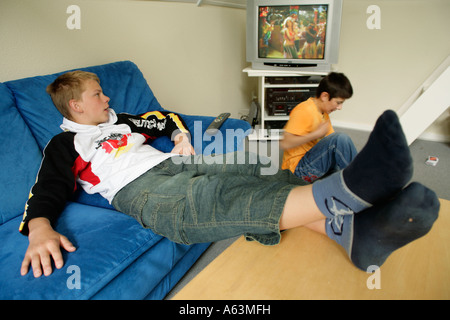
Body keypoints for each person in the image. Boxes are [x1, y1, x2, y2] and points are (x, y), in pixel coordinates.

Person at [20, 71, 440, 279]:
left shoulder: (122, 121)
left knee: (253, 162)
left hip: (174, 162)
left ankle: (358, 233)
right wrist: (39, 227)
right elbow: (48, 188)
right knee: (203, 201)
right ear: (76, 106)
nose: (106, 96)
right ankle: (342, 196)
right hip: (140, 189)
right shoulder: (67, 145)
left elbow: (163, 120)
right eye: (97, 94)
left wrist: (182, 136)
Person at [281, 72, 357, 183]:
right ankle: (360, 181)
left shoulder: (323, 113)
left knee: (344, 155)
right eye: (338, 102)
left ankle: (362, 174)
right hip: (297, 171)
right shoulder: (304, 110)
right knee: (341, 138)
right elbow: (285, 143)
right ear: (325, 96)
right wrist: (314, 135)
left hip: (314, 163)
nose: (340, 107)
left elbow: (334, 146)